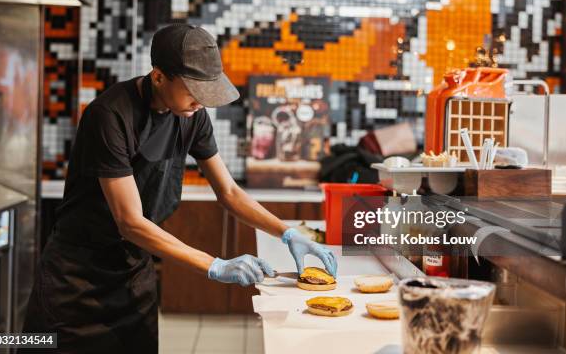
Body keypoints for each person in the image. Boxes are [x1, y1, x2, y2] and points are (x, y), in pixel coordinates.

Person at [22, 24, 336, 353]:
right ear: (159, 77)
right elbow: (129, 221)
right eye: (194, 90)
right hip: (75, 278)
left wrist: (287, 233)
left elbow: (228, 192)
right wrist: (214, 265)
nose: (202, 102)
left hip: (132, 273)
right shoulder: (111, 116)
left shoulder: (191, 115)